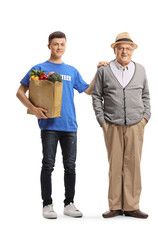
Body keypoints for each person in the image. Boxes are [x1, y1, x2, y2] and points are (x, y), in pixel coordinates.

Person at [16, 31, 101, 219]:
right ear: (49, 46)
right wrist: (33, 108)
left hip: (70, 126)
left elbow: (88, 90)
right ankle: (47, 205)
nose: (59, 47)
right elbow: (20, 92)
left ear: (65, 46)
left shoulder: (71, 70)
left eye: (62, 44)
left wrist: (98, 70)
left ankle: (69, 204)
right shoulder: (39, 68)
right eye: (55, 44)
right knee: (48, 165)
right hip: (49, 126)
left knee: (70, 166)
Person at [92, 32, 151, 219]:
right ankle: (115, 205)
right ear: (115, 50)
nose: (124, 51)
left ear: (132, 50)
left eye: (128, 48)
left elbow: (146, 95)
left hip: (136, 124)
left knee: (133, 164)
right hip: (112, 124)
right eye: (121, 48)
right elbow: (96, 96)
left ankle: (132, 206)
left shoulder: (140, 70)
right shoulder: (104, 70)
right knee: (115, 164)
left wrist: (145, 117)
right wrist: (102, 120)